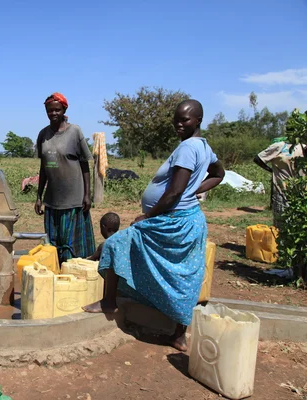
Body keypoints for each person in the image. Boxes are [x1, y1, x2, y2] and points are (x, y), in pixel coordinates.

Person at [83, 100, 225, 352]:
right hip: (190, 220)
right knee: (183, 274)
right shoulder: (205, 147)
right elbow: (218, 173)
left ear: (199, 120)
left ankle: (108, 302)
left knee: (116, 243)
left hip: (172, 220)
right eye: (176, 121)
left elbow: (174, 192)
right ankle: (178, 335)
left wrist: (148, 217)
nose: (179, 125)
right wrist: (196, 190)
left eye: (185, 120)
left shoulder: (188, 148)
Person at [35, 92, 95, 263]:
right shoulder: (43, 135)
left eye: (57, 110)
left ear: (64, 109)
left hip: (74, 200)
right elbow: (44, 167)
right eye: (50, 111)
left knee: (73, 245)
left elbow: (84, 165)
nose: (53, 114)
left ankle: (73, 276)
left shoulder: (75, 132)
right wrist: (39, 197)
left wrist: (86, 195)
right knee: (53, 244)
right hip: (53, 200)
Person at [254, 137, 305, 228]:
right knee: (282, 222)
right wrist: (271, 170)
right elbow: (258, 159)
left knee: (300, 222)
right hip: (281, 190)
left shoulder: (303, 147)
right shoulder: (279, 146)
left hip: (300, 191)